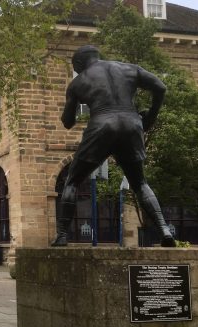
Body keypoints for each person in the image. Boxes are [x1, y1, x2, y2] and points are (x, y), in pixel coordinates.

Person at [52, 45, 175, 247]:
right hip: (132, 124)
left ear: (80, 63)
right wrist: (151, 116)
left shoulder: (78, 82)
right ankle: (163, 229)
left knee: (72, 181)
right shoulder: (130, 68)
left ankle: (62, 235)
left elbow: (68, 122)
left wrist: (71, 104)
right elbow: (160, 87)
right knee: (140, 183)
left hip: (102, 124)